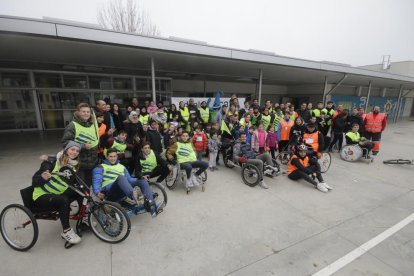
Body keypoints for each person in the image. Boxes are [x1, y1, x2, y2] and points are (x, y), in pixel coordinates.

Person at [32, 141, 83, 244]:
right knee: (63, 200)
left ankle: (84, 217)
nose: (75, 152)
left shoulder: (73, 165)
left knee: (80, 191)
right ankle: (66, 232)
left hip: (57, 193)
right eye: (72, 149)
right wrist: (43, 177)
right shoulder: (51, 162)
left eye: (77, 151)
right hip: (42, 195)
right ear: (66, 150)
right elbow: (34, 181)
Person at [92, 148, 158, 217]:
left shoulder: (122, 167)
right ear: (106, 157)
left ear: (117, 156)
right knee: (121, 178)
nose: (113, 158)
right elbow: (96, 181)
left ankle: (151, 203)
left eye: (114, 156)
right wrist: (97, 192)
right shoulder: (100, 167)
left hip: (123, 190)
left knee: (143, 181)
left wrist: (140, 178)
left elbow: (129, 179)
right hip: (110, 193)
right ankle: (135, 196)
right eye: (111, 156)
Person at [62, 103, 99, 186]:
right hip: (79, 163)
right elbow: (66, 142)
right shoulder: (72, 125)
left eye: (88, 112)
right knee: (81, 186)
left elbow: (96, 140)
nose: (86, 114)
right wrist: (83, 146)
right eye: (83, 112)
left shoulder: (92, 124)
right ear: (78, 112)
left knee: (89, 184)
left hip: (92, 162)